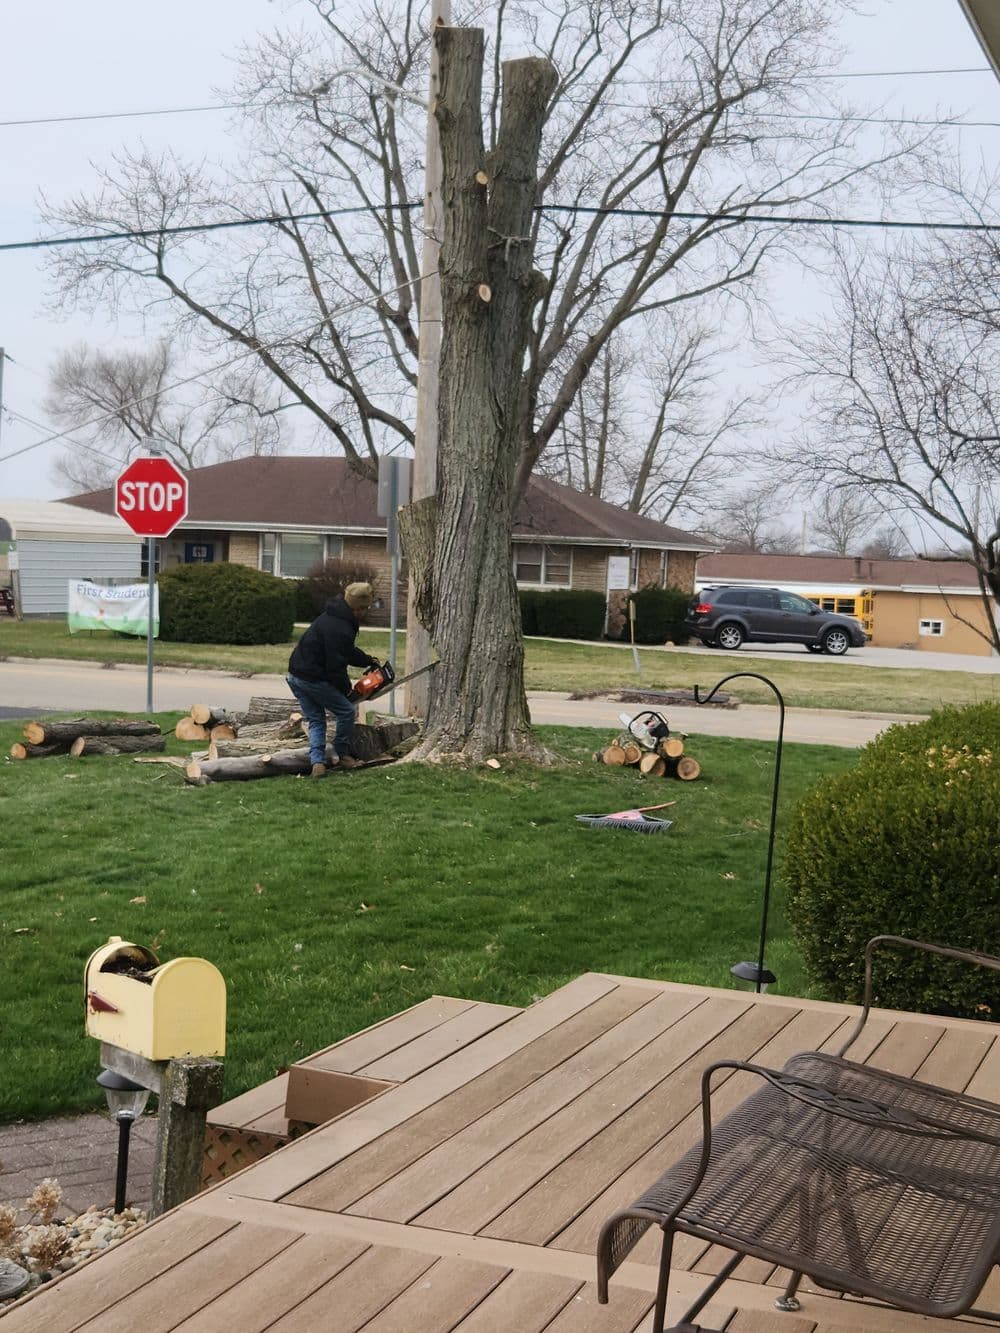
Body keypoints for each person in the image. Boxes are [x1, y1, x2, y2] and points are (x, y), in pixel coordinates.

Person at [286, 582, 380, 778]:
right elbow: (336, 667)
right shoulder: (341, 626)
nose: (367, 612)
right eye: (366, 608)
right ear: (358, 607)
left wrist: (367, 661)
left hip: (295, 675)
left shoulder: (336, 614)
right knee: (346, 711)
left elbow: (345, 651)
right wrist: (347, 692)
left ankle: (318, 763)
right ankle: (342, 754)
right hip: (311, 677)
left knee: (316, 719)